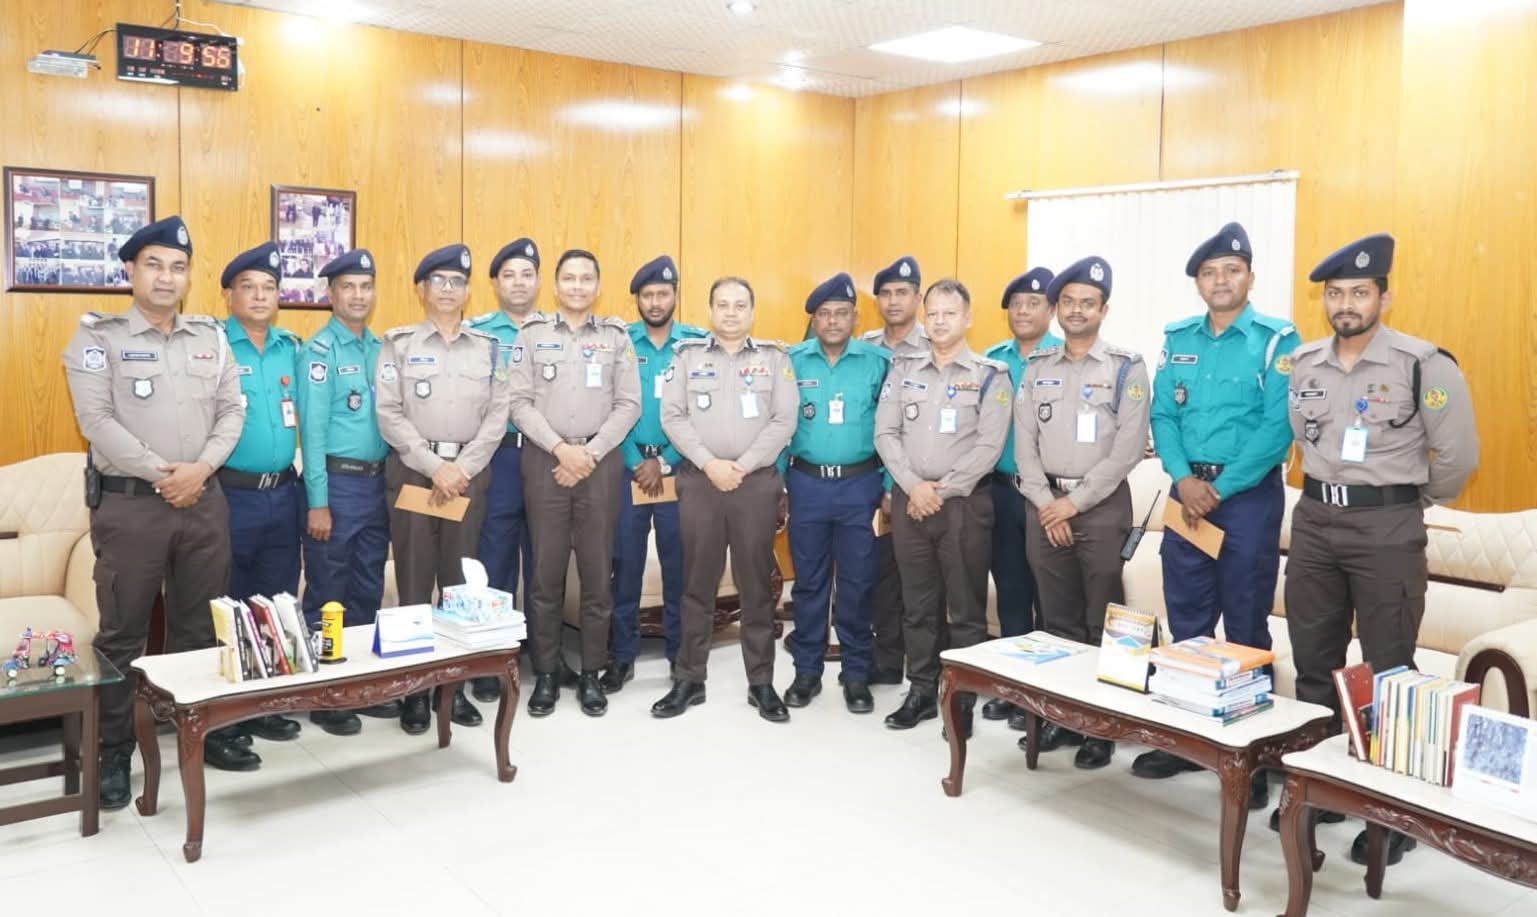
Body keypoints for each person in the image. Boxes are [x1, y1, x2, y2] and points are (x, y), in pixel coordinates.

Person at [1281, 233, 1478, 866]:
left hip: (1387, 528)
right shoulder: (1305, 363)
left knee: (1389, 670)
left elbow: (1458, 457)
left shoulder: (1423, 364)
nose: (1346, 304)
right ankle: (1319, 791)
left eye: (1359, 292)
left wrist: (1402, 502)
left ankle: (1390, 814)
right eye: (1335, 294)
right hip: (1315, 520)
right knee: (1314, 661)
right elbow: (1302, 439)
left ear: (1383, 298)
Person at [61, 216, 252, 808]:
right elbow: (96, 422)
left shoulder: (210, 337)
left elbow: (233, 411)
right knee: (123, 633)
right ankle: (114, 751)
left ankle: (200, 731)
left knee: (200, 627)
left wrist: (201, 469)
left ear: (188, 276)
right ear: (130, 271)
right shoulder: (97, 339)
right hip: (131, 507)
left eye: (177, 267)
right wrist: (164, 475)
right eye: (154, 265)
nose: (167, 277)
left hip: (204, 501)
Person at [1134, 222, 1300, 807]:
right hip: (1186, 494)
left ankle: (1251, 758)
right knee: (1188, 620)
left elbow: (1277, 427)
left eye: (1232, 270)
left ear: (1250, 278)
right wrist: (1183, 479)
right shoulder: (1178, 337)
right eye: (1209, 273)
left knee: (1246, 626)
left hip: (1246, 498)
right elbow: (1162, 416)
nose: (1220, 280)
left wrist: (1219, 488)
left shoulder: (1277, 341)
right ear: (1198, 283)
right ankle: (1188, 742)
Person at [1013, 256, 1150, 770]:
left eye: (1087, 303)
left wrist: (1074, 504)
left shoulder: (1126, 368)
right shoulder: (1037, 367)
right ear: (1056, 309)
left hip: (1101, 506)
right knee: (1057, 621)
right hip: (1044, 504)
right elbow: (1024, 444)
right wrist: (1047, 503)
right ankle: (1065, 718)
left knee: (1105, 620)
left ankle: (1104, 727)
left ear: (1103, 310)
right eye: (1067, 302)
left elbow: (1128, 449)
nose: (1076, 310)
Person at [376, 244, 510, 734]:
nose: (449, 289)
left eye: (457, 282)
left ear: (468, 290)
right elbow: (388, 413)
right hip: (416, 474)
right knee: (413, 582)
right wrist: (435, 467)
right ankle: (415, 692)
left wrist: (461, 468)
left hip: (467, 477)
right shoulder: (397, 344)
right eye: (439, 281)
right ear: (421, 289)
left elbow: (498, 415)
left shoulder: (489, 348)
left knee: (460, 584)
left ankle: (452, 690)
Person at [651, 276, 797, 722]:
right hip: (701, 481)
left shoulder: (775, 359)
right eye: (723, 305)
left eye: (739, 305)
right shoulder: (687, 357)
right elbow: (672, 416)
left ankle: (762, 683)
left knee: (756, 586)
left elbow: (784, 420)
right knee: (696, 583)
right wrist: (710, 463)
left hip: (755, 484)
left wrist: (743, 465)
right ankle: (689, 679)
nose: (731, 313)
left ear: (752, 311)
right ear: (710, 310)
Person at [874, 279, 1011, 739]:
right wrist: (914, 487)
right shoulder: (903, 369)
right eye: (932, 313)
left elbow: (990, 446)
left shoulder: (991, 375)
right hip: (910, 501)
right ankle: (920, 690)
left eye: (949, 313)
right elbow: (885, 433)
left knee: (965, 609)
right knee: (917, 605)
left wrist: (941, 491)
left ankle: (961, 701)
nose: (939, 321)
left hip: (964, 506)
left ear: (967, 319)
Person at [508, 249, 641, 717]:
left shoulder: (616, 338)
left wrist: (589, 453)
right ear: (556, 285)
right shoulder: (531, 335)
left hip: (599, 465)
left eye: (586, 278)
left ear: (597, 286)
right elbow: (518, 403)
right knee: (544, 576)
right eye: (569, 278)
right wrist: (561, 450)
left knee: (596, 576)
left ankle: (591, 674)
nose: (578, 286)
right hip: (545, 462)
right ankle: (546, 674)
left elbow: (629, 404)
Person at [298, 248, 396, 737]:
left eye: (366, 286)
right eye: (348, 287)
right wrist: (318, 501)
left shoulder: (381, 349)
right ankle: (326, 693)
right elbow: (312, 433)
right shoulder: (319, 353)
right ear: (331, 294)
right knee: (328, 593)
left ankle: (359, 685)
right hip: (336, 486)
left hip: (377, 484)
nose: (358, 295)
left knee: (366, 587)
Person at [784, 273, 890, 713]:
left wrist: (887, 487)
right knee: (808, 583)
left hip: (860, 485)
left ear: (855, 318)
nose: (832, 321)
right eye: (824, 314)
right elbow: (779, 424)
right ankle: (806, 672)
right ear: (814, 320)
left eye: (841, 313)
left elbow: (892, 430)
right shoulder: (792, 362)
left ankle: (856, 673)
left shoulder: (879, 362)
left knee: (857, 582)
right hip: (806, 483)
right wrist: (780, 483)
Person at [217, 242, 306, 751]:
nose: (259, 295)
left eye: (268, 287)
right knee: (228, 602)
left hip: (284, 493)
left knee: (276, 601)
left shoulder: (291, 348)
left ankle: (267, 704)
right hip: (231, 495)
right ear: (228, 294)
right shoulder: (212, 347)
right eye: (247, 287)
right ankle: (227, 716)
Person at [606, 255, 706, 690]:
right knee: (624, 567)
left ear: (675, 295)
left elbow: (701, 413)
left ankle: (679, 656)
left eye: (663, 293)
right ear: (637, 300)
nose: (655, 301)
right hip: (627, 470)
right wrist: (635, 460)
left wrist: (662, 460)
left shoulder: (696, 345)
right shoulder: (620, 343)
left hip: (679, 470)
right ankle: (622, 656)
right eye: (647, 295)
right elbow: (609, 406)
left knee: (678, 567)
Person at [980, 267, 1062, 725]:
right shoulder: (992, 362)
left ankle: (1046, 697)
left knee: (1050, 596)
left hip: (1048, 496)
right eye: (1016, 304)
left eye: (1034, 303)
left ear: (1050, 310)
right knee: (1011, 591)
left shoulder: (1064, 357)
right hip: (1001, 490)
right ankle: (1013, 689)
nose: (1024, 311)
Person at [465, 237, 544, 704]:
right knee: (493, 560)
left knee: (543, 558)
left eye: (527, 275)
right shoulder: (479, 334)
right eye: (509, 275)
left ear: (538, 282)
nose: (518, 283)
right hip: (498, 456)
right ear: (495, 283)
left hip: (545, 455)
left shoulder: (555, 331)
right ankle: (490, 659)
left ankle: (540, 654)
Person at [859, 255, 928, 686]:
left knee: (922, 579)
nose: (893, 300)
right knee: (880, 573)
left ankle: (929, 665)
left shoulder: (934, 346)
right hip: (869, 475)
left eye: (902, 292)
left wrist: (899, 484)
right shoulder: (865, 348)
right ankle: (886, 660)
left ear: (918, 298)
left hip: (918, 481)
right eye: (885, 293)